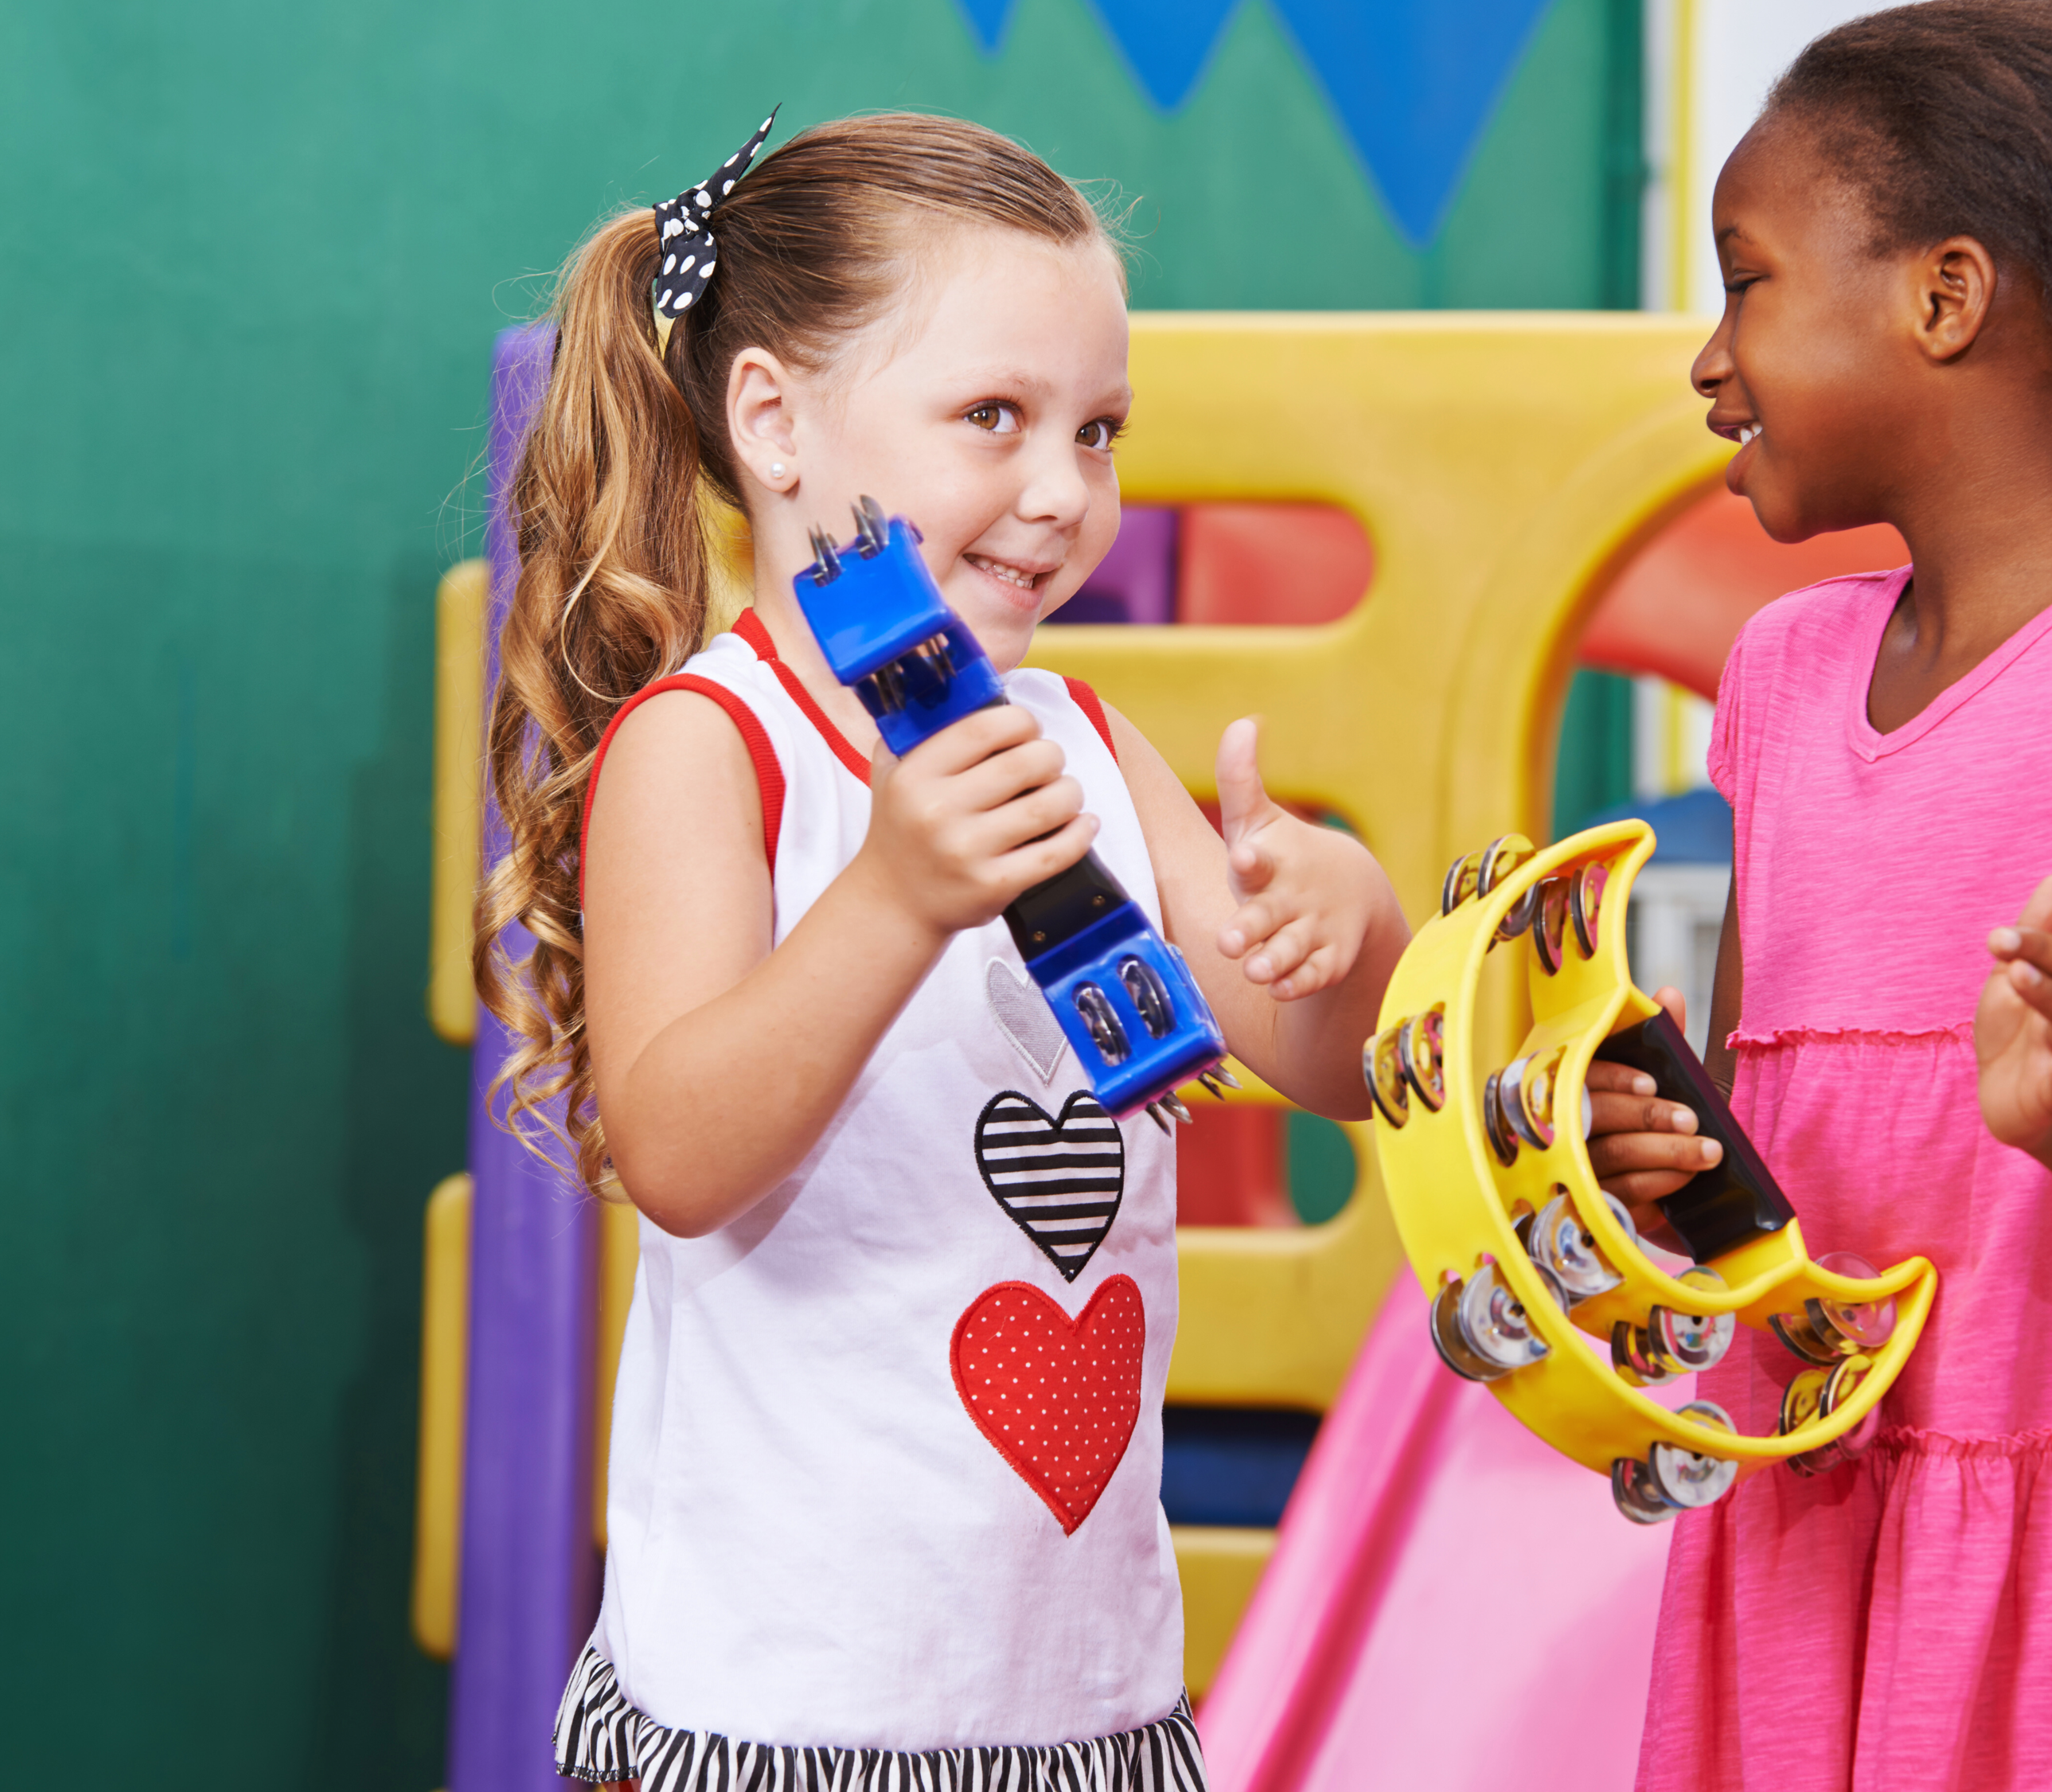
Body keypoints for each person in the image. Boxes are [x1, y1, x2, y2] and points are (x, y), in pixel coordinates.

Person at [476, 111, 1406, 1787]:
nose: (1064, 495)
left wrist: (1344, 929)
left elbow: (1336, 1065)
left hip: (1073, 1697)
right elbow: (680, 1152)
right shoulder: (714, 745)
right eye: (995, 417)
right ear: (771, 418)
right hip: (785, 1702)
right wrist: (897, 898)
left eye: (1100, 431)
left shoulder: (1086, 742)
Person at [1584, 0, 2052, 1790]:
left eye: (1749, 281)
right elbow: (1783, 1192)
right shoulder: (1778, 678)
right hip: (1812, 1532)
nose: (1709, 359)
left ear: (1945, 297)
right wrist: (1670, 1152)